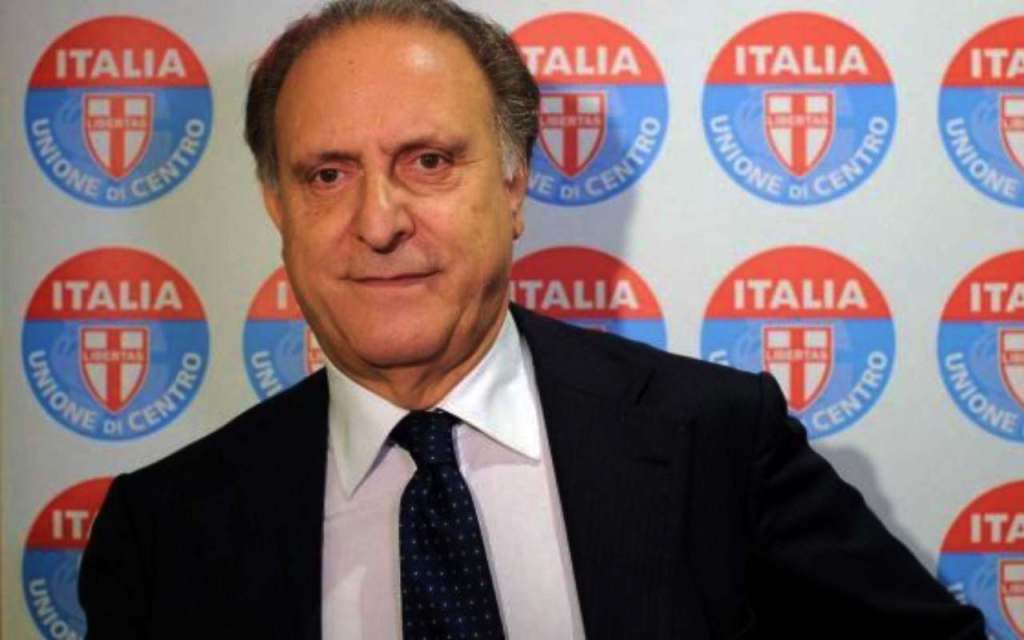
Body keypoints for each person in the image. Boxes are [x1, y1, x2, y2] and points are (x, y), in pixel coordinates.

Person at [79, 1, 985, 638]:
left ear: (515, 185)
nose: (379, 221)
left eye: (429, 161)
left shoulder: (717, 441)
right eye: (327, 174)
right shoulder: (164, 530)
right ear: (277, 207)